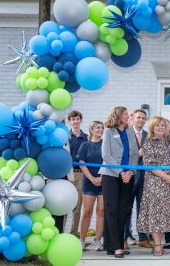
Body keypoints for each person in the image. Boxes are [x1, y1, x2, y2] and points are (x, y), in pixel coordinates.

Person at [137, 116, 170, 257]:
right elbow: (149, 165)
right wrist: (167, 177)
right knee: (156, 215)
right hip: (154, 184)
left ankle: (159, 244)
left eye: (163, 125)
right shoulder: (148, 142)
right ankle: (157, 247)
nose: (161, 128)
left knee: (164, 215)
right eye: (158, 126)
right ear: (152, 128)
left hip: (168, 185)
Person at [101, 107, 139, 258]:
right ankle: (115, 246)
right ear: (118, 115)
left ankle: (115, 244)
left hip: (127, 176)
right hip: (111, 175)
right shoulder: (108, 131)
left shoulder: (130, 131)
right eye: (125, 114)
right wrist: (120, 172)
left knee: (123, 210)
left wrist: (130, 172)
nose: (127, 116)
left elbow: (135, 153)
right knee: (111, 209)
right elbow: (106, 155)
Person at [124, 109, 151, 249]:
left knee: (143, 209)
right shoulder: (126, 134)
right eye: (138, 117)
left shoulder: (148, 135)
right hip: (129, 177)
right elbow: (124, 155)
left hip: (145, 179)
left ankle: (143, 238)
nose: (141, 120)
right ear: (133, 119)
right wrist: (137, 155)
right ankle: (123, 239)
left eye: (143, 118)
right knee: (126, 208)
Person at [77, 121, 105, 251]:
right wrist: (92, 178)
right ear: (91, 129)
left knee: (101, 211)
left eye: (102, 128)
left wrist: (100, 177)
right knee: (87, 212)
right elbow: (82, 163)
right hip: (89, 182)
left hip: (104, 181)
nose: (100, 130)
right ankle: (82, 240)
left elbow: (108, 162)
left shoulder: (105, 144)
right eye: (98, 127)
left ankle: (97, 240)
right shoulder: (85, 145)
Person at [68, 110, 88, 237]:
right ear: (70, 121)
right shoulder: (65, 138)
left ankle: (74, 234)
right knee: (63, 204)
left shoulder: (86, 138)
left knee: (77, 206)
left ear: (81, 120)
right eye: (73, 119)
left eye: (77, 119)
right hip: (67, 174)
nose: (75, 122)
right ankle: (60, 234)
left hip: (80, 174)